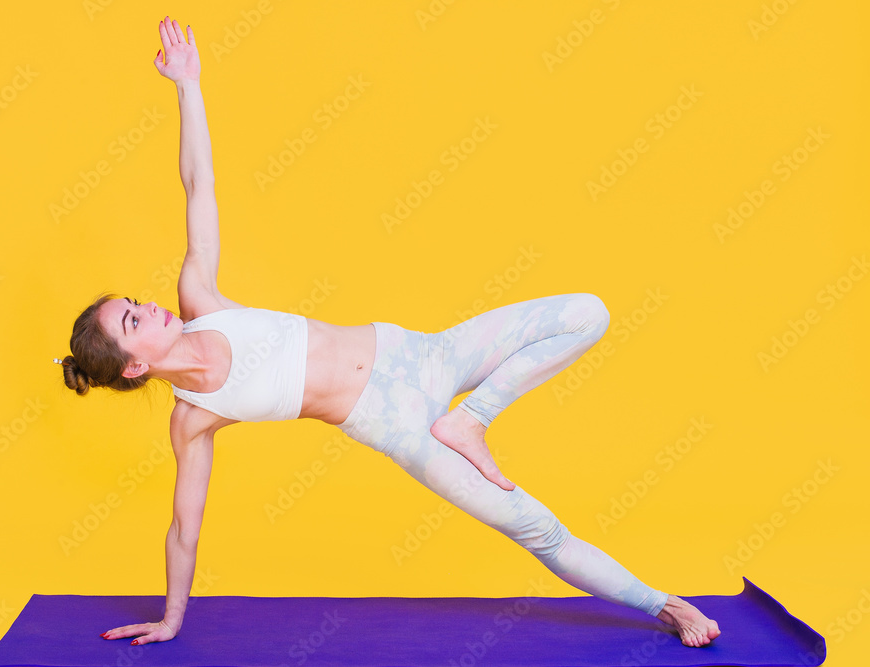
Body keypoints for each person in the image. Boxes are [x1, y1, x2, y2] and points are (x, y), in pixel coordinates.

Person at [60, 16, 721, 649]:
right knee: (537, 529)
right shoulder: (194, 418)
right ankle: (662, 603)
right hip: (395, 421)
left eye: (138, 303)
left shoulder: (200, 296)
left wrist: (188, 85)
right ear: (133, 367)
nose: (150, 308)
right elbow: (183, 526)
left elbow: (198, 184)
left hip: (425, 353)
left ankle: (474, 420)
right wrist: (172, 619)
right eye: (132, 320)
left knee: (589, 313)